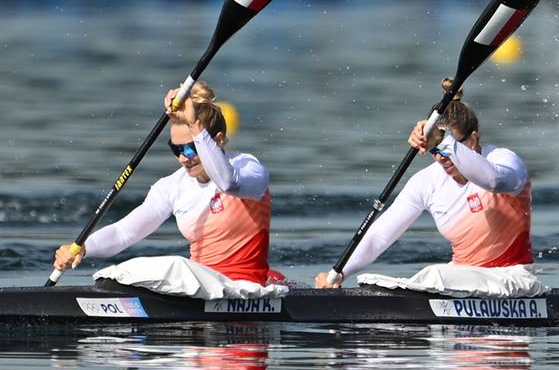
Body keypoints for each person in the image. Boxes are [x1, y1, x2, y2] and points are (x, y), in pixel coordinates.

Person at [315, 79, 533, 288]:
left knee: (434, 275)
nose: (440, 158)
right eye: (434, 151)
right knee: (393, 279)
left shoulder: (503, 160)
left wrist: (441, 141)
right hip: (459, 281)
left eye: (447, 147)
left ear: (473, 140)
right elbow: (380, 235)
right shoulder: (426, 182)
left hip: (511, 279)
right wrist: (339, 273)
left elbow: (494, 181)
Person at [52, 83, 277, 284]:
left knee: (174, 265)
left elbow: (228, 184)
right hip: (199, 286)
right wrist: (83, 248)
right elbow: (124, 233)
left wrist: (195, 125)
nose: (182, 158)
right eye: (176, 149)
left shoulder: (248, 167)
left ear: (217, 140)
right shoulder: (172, 185)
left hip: (245, 287)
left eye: (190, 147)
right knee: (130, 270)